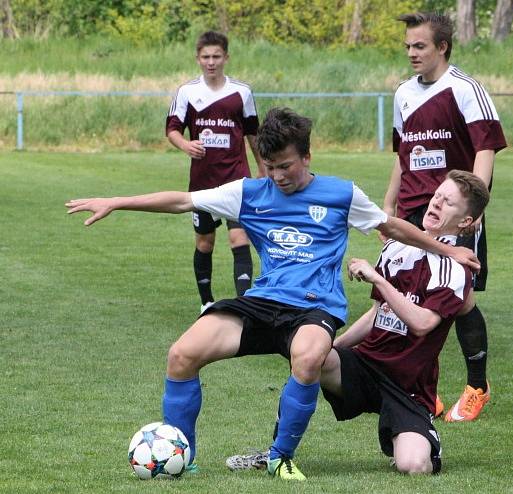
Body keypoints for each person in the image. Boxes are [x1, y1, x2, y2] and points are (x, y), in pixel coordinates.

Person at [66, 108, 479, 481]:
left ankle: (280, 457)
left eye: (285, 167)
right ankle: (183, 454)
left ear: (306, 158)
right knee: (181, 354)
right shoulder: (249, 192)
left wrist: (446, 248)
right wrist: (118, 201)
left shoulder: (341, 194)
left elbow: (391, 226)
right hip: (263, 301)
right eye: (270, 168)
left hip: (315, 307)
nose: (278, 176)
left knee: (309, 354)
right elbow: (182, 201)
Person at [226, 170, 489, 475]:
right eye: (438, 196)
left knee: (415, 465)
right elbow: (377, 314)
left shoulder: (455, 269)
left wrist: (377, 277)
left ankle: (421, 438)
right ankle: (275, 452)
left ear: (465, 222)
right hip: (365, 366)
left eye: (449, 203)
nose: (436, 204)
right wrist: (329, 347)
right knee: (312, 355)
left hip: (408, 388)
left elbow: (421, 323)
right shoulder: (396, 247)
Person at [382, 12, 507, 422]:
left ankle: (477, 386)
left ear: (442, 47)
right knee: (412, 297)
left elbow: (485, 149)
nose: (412, 53)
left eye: (419, 46)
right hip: (413, 213)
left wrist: (474, 210)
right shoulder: (402, 93)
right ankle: (424, 393)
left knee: (460, 299)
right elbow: (403, 157)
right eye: (408, 47)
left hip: (453, 212)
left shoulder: (465, 88)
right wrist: (389, 206)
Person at [166, 31, 265, 311]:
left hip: (236, 177)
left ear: (226, 57)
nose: (211, 62)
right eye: (206, 57)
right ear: (198, 59)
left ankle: (244, 304)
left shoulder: (241, 92)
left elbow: (252, 133)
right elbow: (172, 129)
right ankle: (206, 302)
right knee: (205, 242)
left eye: (216, 56)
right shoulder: (187, 92)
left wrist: (262, 167)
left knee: (239, 237)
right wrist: (185, 144)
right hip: (202, 183)